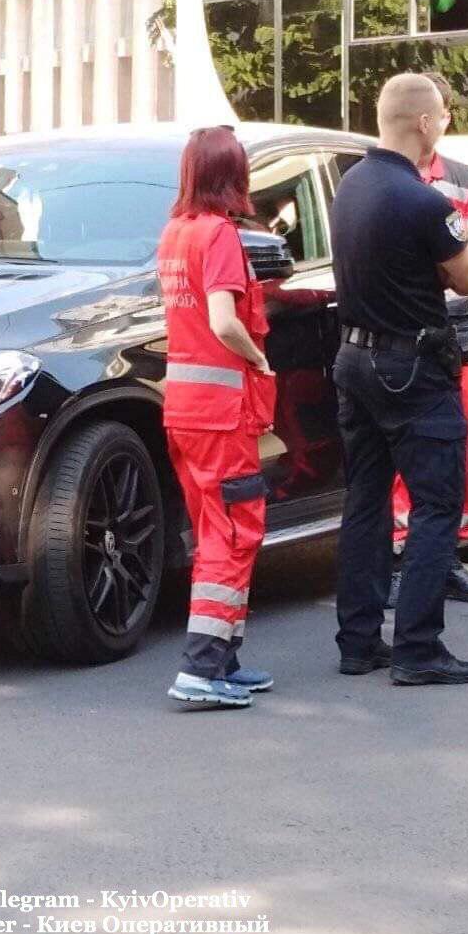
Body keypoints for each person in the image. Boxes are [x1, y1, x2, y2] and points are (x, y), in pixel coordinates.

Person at [331, 73, 468, 686]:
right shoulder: (423, 201)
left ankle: (358, 642)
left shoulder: (350, 185)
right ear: (425, 122)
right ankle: (419, 649)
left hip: (354, 361)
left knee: (366, 502)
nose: (445, 125)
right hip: (411, 370)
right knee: (437, 504)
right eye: (443, 117)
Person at [158, 125, 276, 708]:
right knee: (234, 533)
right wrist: (259, 360)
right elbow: (225, 321)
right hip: (223, 416)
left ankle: (224, 660)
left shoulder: (175, 233)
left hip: (185, 411)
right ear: (234, 176)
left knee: (215, 532)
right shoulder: (220, 235)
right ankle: (202, 669)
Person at [387, 71, 468, 608]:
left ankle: (449, 556)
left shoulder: (462, 177)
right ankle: (402, 556)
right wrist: (445, 261)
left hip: (461, 330)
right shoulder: (388, 175)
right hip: (411, 332)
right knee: (409, 445)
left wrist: (434, 261)